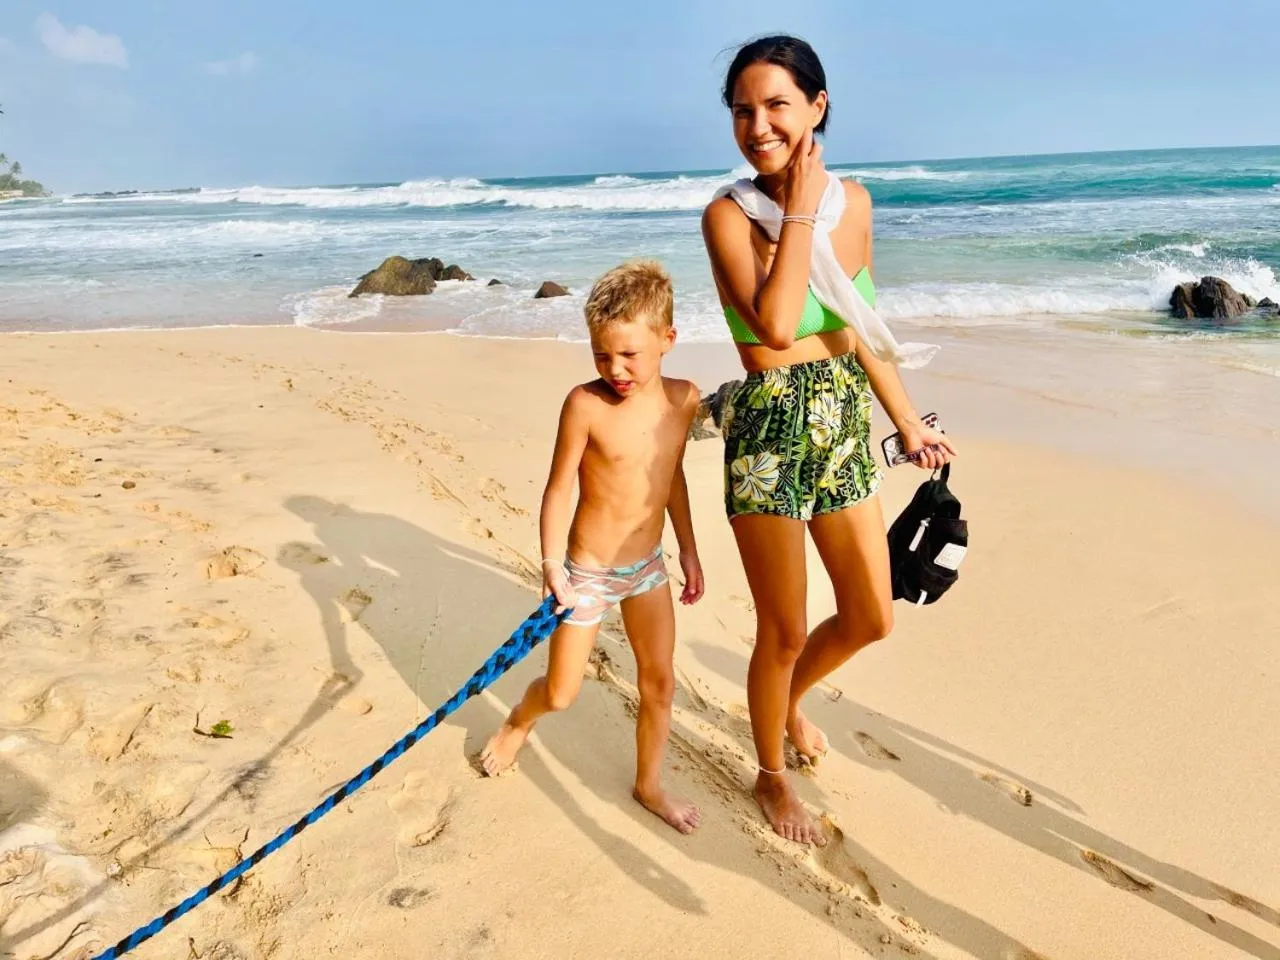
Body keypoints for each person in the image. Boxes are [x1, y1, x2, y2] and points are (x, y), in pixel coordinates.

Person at [701, 35, 957, 845]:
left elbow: (858, 328)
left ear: (817, 106)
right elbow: (774, 328)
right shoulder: (729, 215)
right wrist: (801, 211)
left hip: (843, 417)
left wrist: (906, 419)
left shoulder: (858, 203)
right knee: (781, 629)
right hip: (771, 426)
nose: (758, 124)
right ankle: (770, 773)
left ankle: (787, 704)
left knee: (872, 615)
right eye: (743, 109)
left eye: (777, 104)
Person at [480, 260, 706, 835]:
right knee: (561, 693)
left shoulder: (684, 401)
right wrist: (552, 565)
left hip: (649, 567)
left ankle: (649, 784)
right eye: (602, 354)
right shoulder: (585, 404)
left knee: (660, 682)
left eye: (629, 354)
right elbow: (558, 490)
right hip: (587, 573)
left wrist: (689, 549)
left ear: (668, 340)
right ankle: (517, 722)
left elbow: (672, 478)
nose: (615, 368)